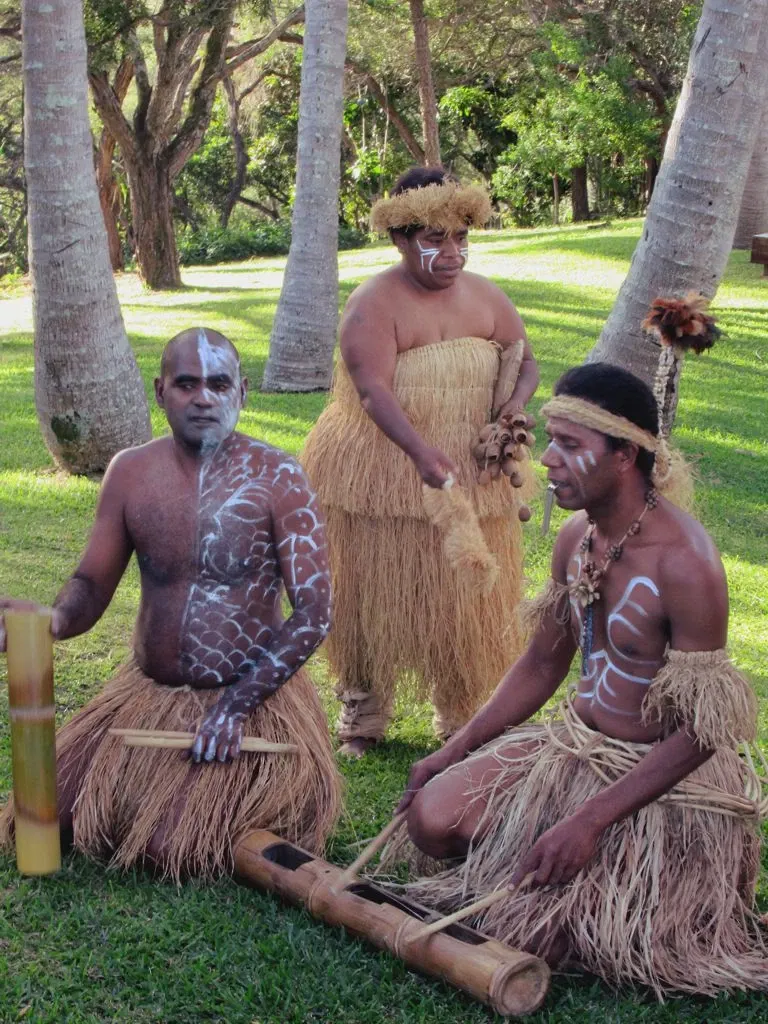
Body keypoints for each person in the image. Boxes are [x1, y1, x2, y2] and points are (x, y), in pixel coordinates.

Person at [389, 362, 767, 997]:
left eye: (570, 446)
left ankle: (634, 895)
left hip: (657, 782)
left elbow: (705, 731)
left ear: (624, 454)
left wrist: (590, 822)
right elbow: (543, 664)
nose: (549, 462)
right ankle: (542, 858)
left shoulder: (686, 563)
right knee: (432, 820)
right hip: (572, 749)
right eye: (550, 442)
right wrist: (453, 750)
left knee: (535, 931)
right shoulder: (576, 537)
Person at [0, 328, 342, 881]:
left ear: (242, 392)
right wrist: (53, 620)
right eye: (187, 384)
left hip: (250, 700)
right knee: (40, 818)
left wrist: (235, 706)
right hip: (148, 694)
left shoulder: (280, 477)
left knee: (167, 847)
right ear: (161, 392)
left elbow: (314, 614)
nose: (203, 397)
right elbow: (91, 580)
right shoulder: (130, 473)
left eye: (218, 383)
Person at [302, 167, 539, 756]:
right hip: (382, 475)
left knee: (465, 601)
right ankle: (364, 712)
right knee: (372, 595)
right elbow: (371, 389)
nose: (452, 253)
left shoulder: (487, 297)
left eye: (461, 237)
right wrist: (417, 451)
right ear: (401, 240)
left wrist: (511, 408)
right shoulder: (373, 305)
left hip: (473, 470)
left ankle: (461, 714)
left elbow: (523, 358)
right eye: (434, 240)